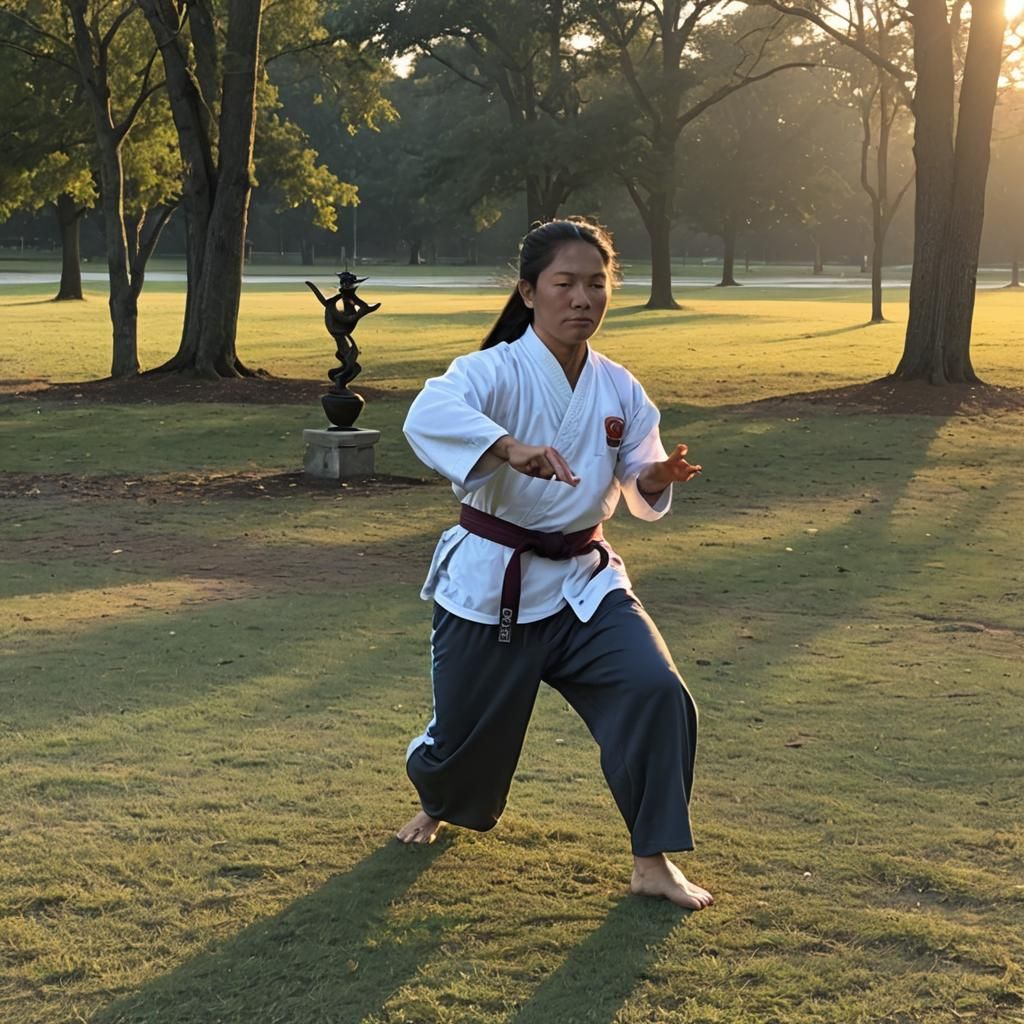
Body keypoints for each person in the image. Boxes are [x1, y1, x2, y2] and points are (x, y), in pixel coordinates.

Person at [397, 219, 712, 911]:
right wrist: (508, 447)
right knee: (460, 749)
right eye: (564, 283)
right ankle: (436, 796)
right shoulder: (494, 371)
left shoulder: (618, 386)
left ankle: (651, 861)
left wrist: (657, 475)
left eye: (595, 284)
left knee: (654, 693)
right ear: (529, 291)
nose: (582, 298)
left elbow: (635, 475)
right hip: (494, 584)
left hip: (584, 581)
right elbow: (427, 415)